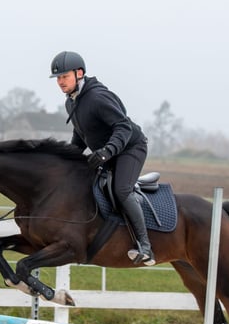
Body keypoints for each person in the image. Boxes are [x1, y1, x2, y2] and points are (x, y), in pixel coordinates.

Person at [50, 50, 155, 266]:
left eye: (64, 76)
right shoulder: (71, 102)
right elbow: (80, 136)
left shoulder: (97, 97)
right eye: (58, 78)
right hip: (109, 151)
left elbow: (123, 127)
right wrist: (66, 162)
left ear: (79, 73)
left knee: (121, 189)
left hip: (130, 148)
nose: (60, 82)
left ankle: (145, 246)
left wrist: (107, 151)